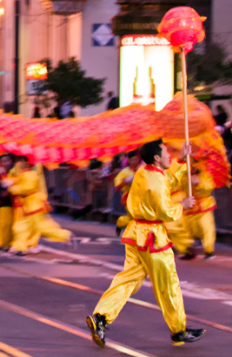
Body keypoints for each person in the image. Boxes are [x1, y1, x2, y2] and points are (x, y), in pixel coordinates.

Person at [87, 140, 205, 348]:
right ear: (157, 158)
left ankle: (101, 317)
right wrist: (182, 205)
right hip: (153, 237)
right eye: (167, 152)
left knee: (128, 279)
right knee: (168, 285)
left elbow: (167, 180)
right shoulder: (154, 179)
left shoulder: (144, 171)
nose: (170, 155)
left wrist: (183, 160)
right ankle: (178, 330)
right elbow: (166, 211)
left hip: (136, 233)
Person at [5, 155, 71, 255]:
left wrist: (11, 188)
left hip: (33, 205)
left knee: (41, 226)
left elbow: (27, 188)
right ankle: (20, 247)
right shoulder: (23, 173)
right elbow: (18, 180)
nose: (17, 163)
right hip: (26, 205)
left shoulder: (31, 174)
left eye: (19, 161)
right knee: (21, 227)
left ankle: (65, 235)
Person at [166, 158, 217, 261]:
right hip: (189, 208)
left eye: (194, 165)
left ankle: (209, 250)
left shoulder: (205, 174)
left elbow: (209, 187)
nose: (192, 167)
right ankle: (187, 249)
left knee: (206, 228)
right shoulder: (183, 177)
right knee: (188, 230)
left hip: (204, 206)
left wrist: (199, 183)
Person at [114, 151, 141, 236]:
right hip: (129, 198)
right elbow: (117, 184)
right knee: (134, 217)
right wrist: (126, 181)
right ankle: (120, 223)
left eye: (136, 159)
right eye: (133, 159)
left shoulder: (143, 169)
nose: (135, 161)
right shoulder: (125, 172)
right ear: (129, 161)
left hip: (142, 197)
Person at [0, 155, 16, 249]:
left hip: (14, 201)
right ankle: (2, 242)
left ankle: (9, 242)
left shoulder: (13, 172)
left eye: (7, 161)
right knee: (3, 223)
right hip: (3, 202)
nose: (6, 163)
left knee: (11, 223)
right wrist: (0, 193)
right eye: (3, 161)